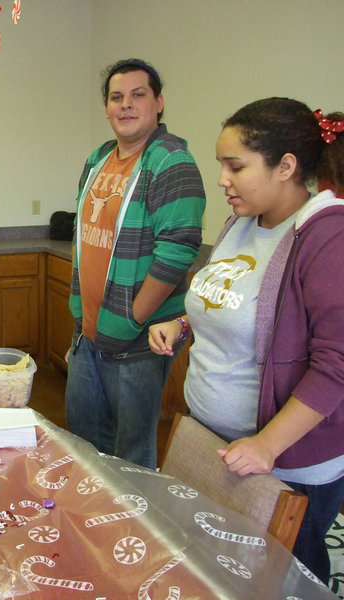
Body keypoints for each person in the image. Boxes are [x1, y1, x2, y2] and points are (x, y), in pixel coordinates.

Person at [149, 97, 344, 584]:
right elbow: (230, 299)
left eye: (235, 166)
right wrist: (184, 325)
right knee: (225, 571)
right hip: (217, 442)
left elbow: (336, 365)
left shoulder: (326, 237)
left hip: (282, 462)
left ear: (286, 167)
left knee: (288, 577)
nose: (222, 180)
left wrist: (266, 444)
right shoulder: (243, 221)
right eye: (222, 165)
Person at [65, 58, 206, 469]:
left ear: (159, 103)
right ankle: (92, 528)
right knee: (84, 448)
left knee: (131, 458)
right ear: (107, 108)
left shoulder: (170, 163)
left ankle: (132, 534)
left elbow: (178, 251)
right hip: (87, 337)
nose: (126, 105)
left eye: (138, 95)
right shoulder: (98, 160)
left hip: (136, 343)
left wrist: (132, 318)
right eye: (116, 97)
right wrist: (82, 323)